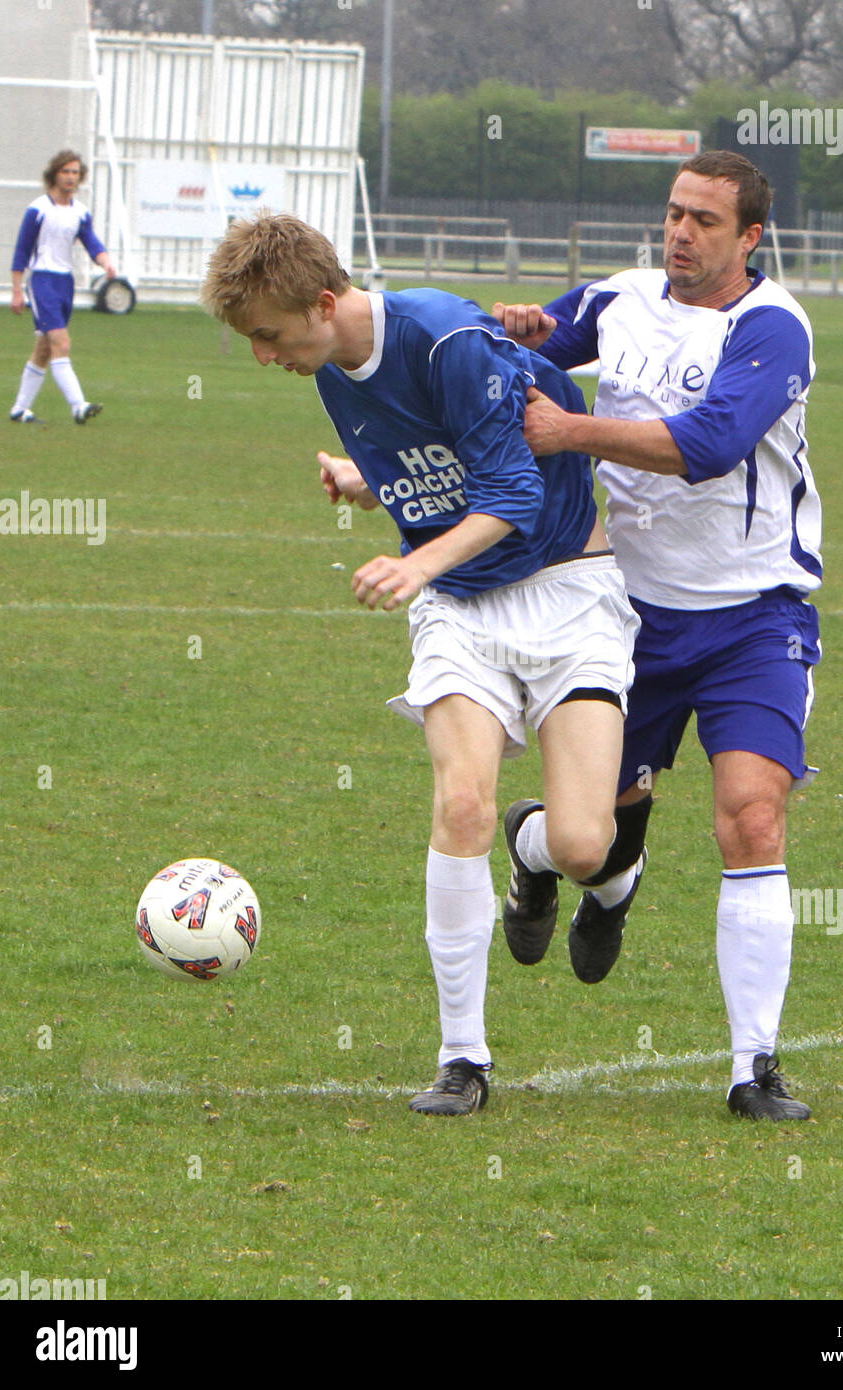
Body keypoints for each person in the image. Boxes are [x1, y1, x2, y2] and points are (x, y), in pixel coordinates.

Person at [201, 213, 640, 1116]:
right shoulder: (330, 362)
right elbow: (433, 450)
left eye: (271, 338)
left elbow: (513, 491)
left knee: (583, 843)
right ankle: (462, 1060)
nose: (265, 357)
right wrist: (367, 481)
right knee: (460, 802)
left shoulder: (444, 337)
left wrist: (414, 561)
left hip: (566, 587)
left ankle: (574, 863)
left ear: (324, 304)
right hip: (460, 613)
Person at [492, 149, 822, 1122]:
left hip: (755, 615)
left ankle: (752, 1068)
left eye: (705, 221)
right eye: (674, 213)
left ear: (750, 237)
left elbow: (712, 444)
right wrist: (515, 333)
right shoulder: (620, 297)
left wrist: (571, 432)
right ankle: (542, 854)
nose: (680, 232)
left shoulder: (772, 327)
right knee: (591, 843)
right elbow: (522, 352)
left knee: (753, 816)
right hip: (621, 615)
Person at [9, 149, 116, 424]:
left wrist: (105, 262)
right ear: (54, 175)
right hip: (43, 280)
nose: (70, 177)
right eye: (65, 172)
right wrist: (17, 290)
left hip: (64, 283)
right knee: (61, 342)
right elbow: (21, 251)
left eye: (75, 173)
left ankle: (20, 410)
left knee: (44, 348)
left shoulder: (80, 212)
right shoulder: (38, 209)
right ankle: (78, 406)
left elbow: (91, 241)